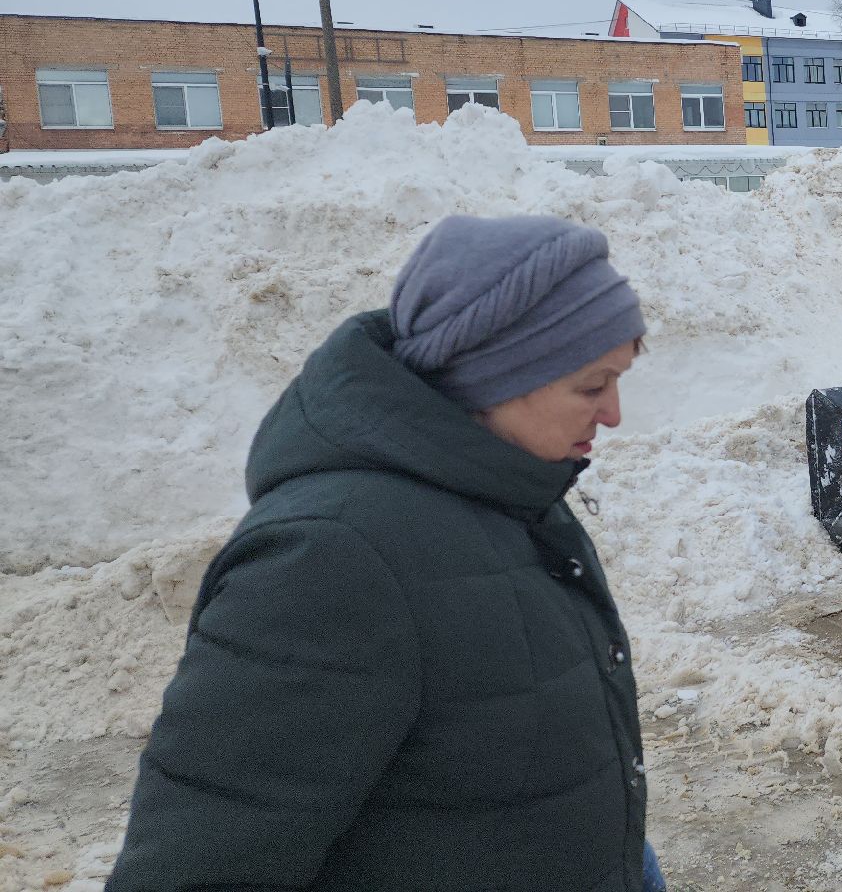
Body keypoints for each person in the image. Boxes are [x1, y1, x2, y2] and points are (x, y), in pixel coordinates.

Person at [109, 215, 666, 892]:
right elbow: (202, 860)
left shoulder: (512, 489)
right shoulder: (331, 558)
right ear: (495, 375)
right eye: (591, 385)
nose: (614, 414)